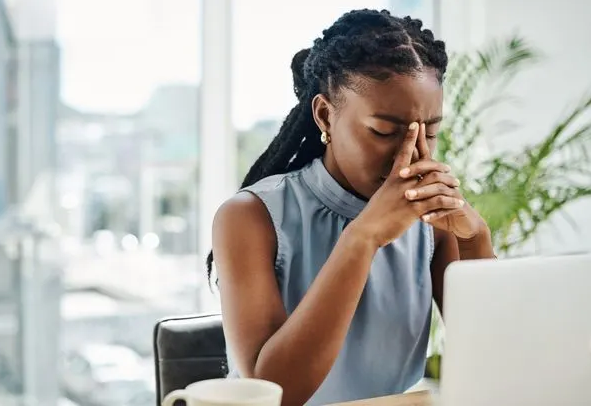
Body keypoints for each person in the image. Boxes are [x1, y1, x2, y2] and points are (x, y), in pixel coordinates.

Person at [207, 9, 495, 406]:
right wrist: (363, 237)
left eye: (430, 131)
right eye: (384, 132)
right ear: (326, 114)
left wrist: (476, 236)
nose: (410, 157)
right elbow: (276, 394)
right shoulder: (250, 217)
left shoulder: (431, 222)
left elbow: (496, 357)